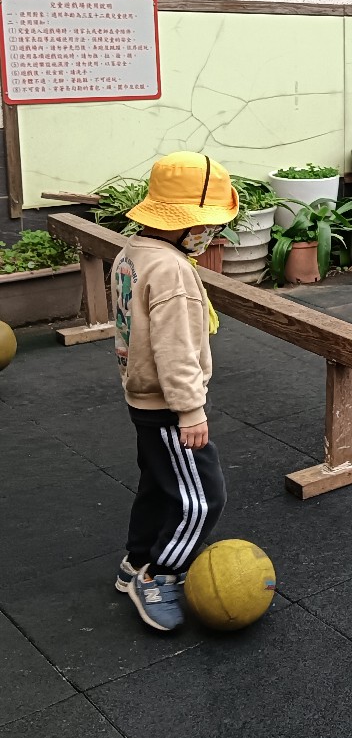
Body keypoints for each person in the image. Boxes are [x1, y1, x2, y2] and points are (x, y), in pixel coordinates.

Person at [111, 151, 237, 631]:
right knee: (202, 498)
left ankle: (135, 561)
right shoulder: (173, 271)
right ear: (184, 223)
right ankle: (160, 574)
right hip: (168, 405)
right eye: (208, 223)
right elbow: (176, 348)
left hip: (142, 397)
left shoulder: (132, 253)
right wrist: (190, 410)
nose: (211, 232)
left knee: (160, 484)